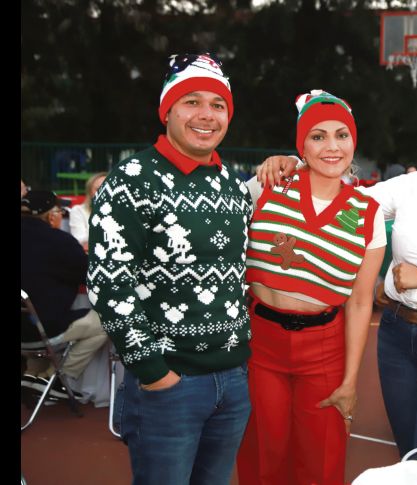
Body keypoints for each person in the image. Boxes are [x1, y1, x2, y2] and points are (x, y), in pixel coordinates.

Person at [253, 85, 417, 458]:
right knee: (408, 453)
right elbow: (343, 198)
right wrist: (296, 163)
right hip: (397, 337)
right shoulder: (410, 187)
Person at [87, 53, 253, 485]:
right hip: (169, 384)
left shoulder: (233, 186)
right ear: (167, 111)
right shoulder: (132, 178)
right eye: (191, 102)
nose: (207, 115)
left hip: (233, 380)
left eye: (218, 105)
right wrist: (154, 372)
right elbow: (108, 283)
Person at [237, 90, 385, 485]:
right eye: (318, 136)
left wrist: (350, 382)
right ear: (301, 145)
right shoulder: (266, 185)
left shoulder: (367, 213)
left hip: (325, 348)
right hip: (260, 341)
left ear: (354, 142)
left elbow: (360, 304)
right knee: (262, 457)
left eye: (341, 135)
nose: (332, 147)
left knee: (321, 462)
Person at [21, 190, 107, 399]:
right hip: (42, 330)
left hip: (27, 328)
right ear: (51, 216)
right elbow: (91, 276)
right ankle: (60, 378)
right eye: (60, 212)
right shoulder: (58, 241)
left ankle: (32, 377)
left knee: (37, 313)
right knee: (106, 323)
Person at [68, 171, 107, 249]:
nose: (103, 192)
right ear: (90, 193)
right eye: (98, 189)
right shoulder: (78, 211)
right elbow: (80, 241)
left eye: (106, 188)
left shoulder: (123, 211)